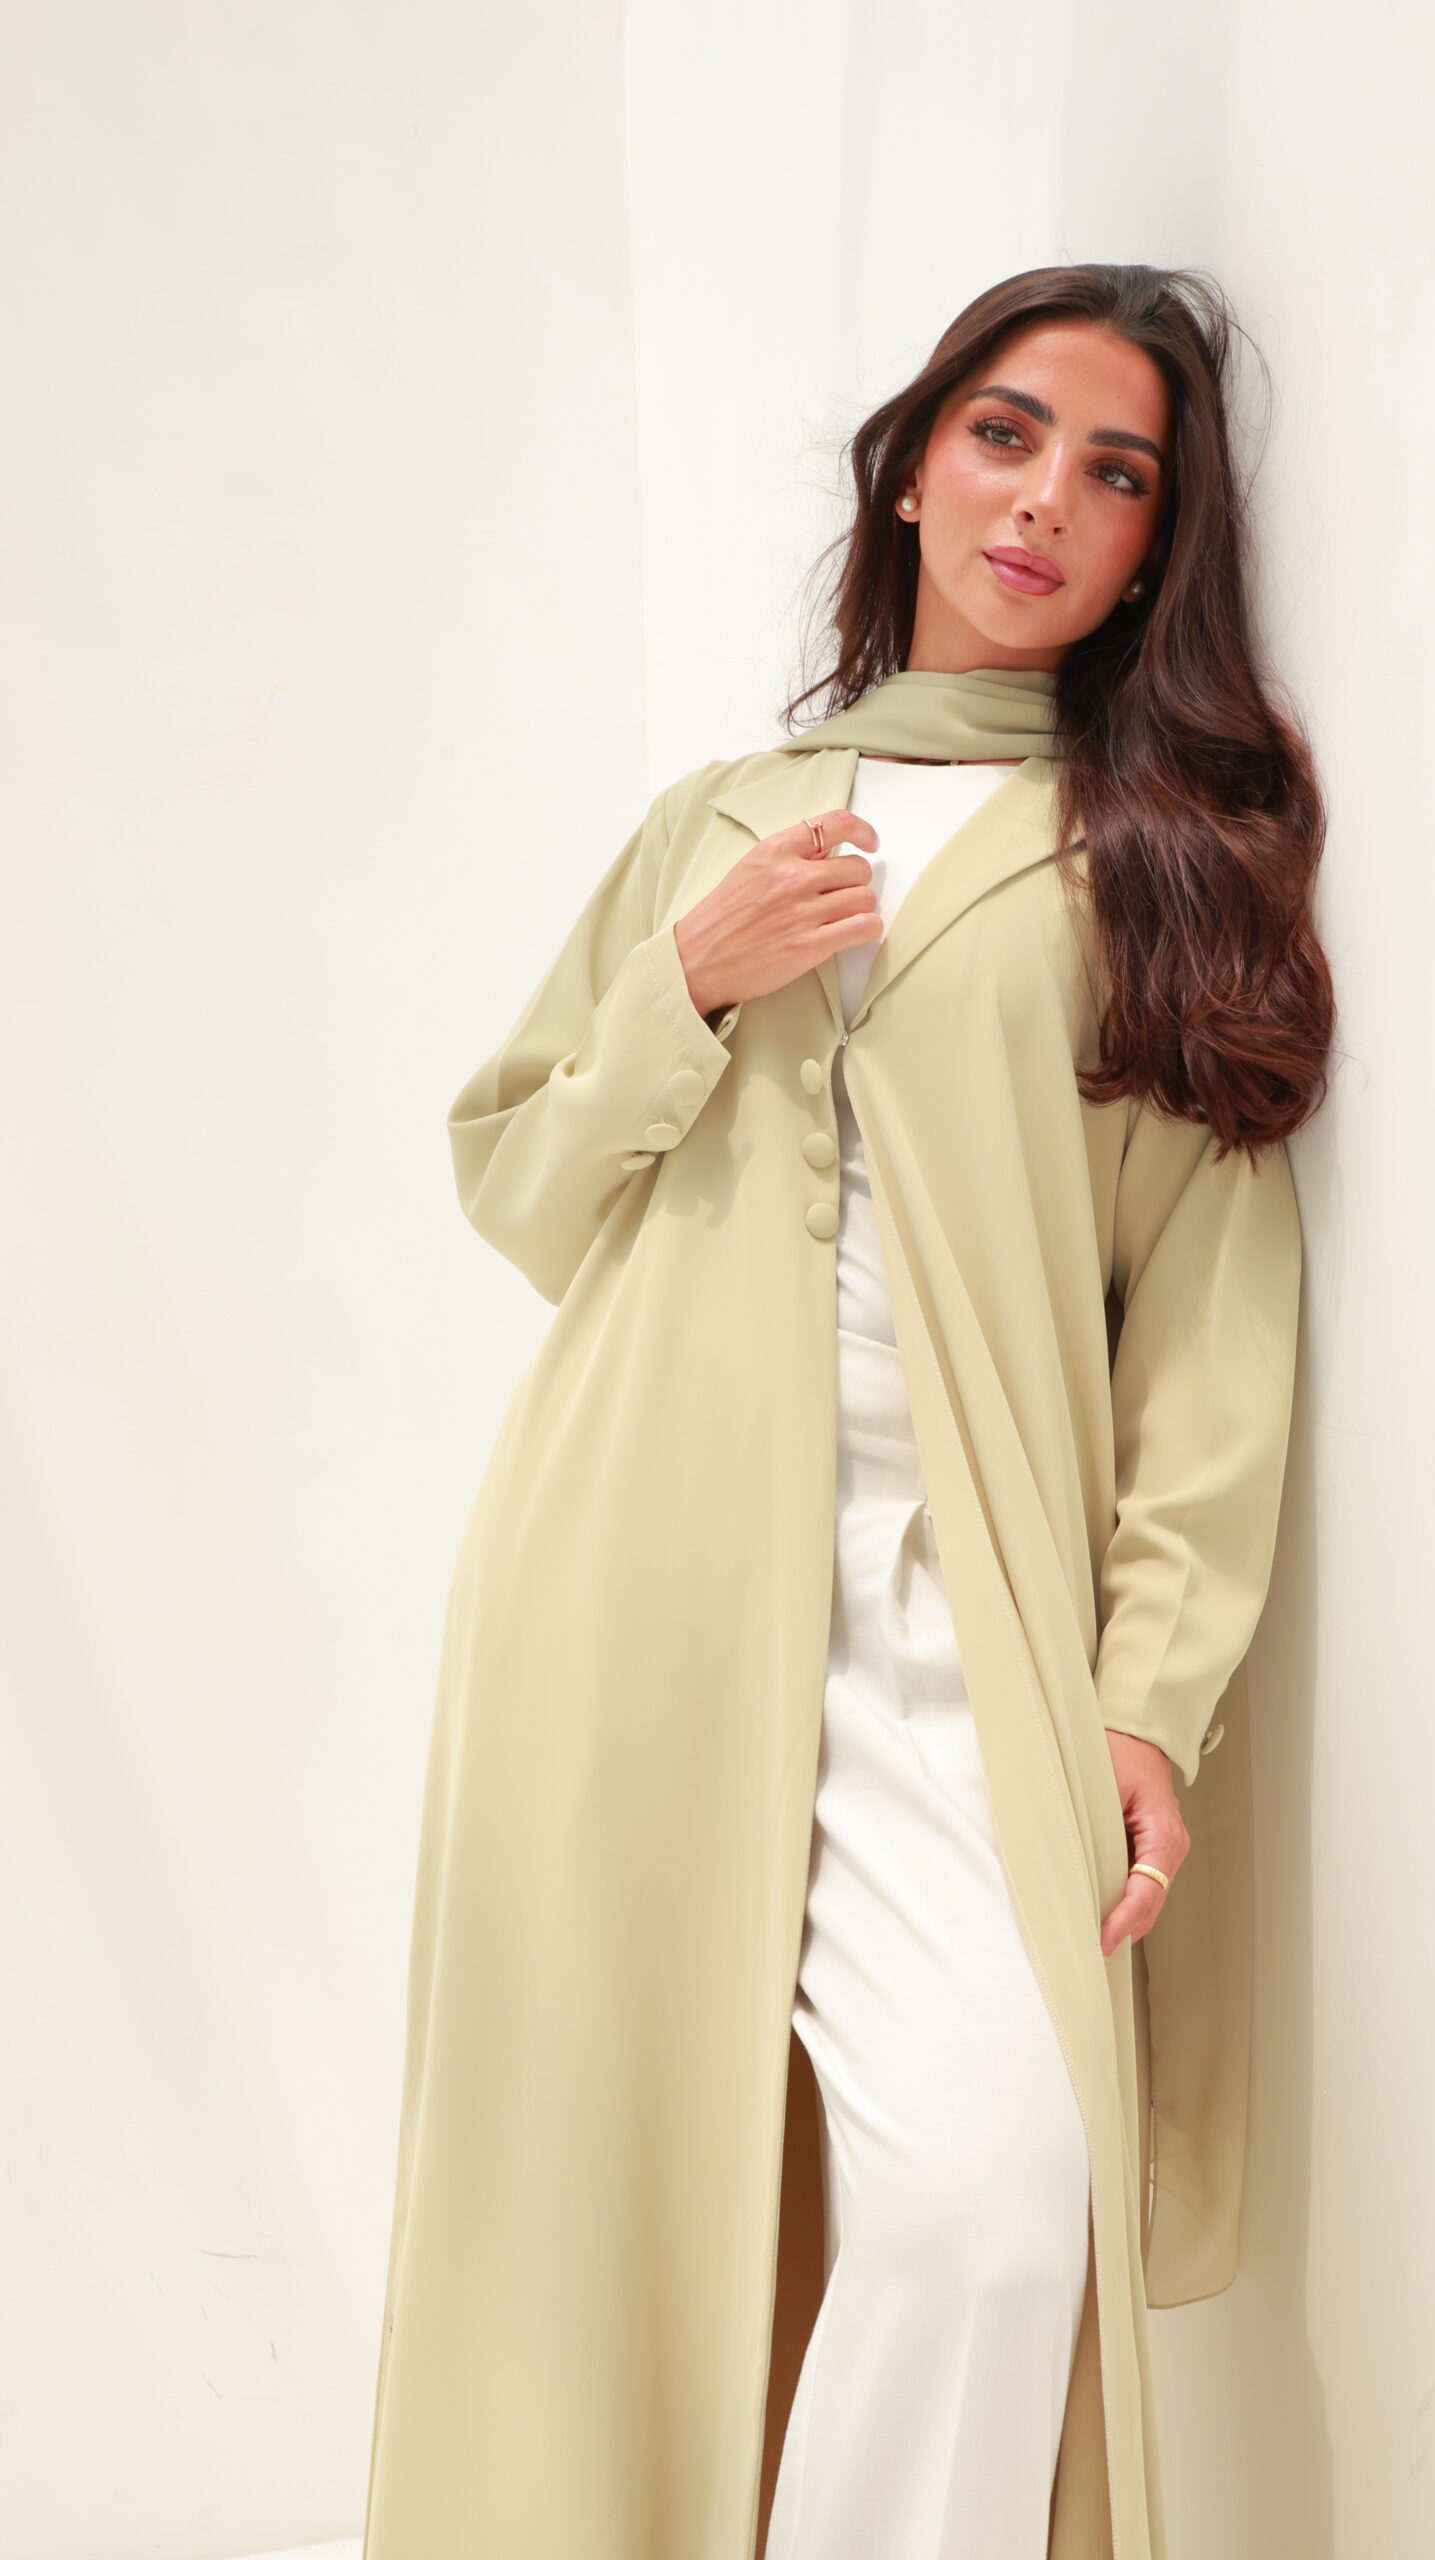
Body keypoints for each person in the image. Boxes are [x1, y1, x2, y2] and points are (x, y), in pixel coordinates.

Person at [361, 261, 1335, 2560]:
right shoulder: (719, 821)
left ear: (1154, 551)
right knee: (590, 2220)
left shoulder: (1154, 868)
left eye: (1117, 472)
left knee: (992, 2203)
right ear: (913, 469)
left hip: (949, 1612)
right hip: (627, 1580)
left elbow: (1214, 1327)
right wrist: (686, 985)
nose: (1047, 498)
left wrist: (1149, 1685)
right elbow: (522, 1183)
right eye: (1007, 433)